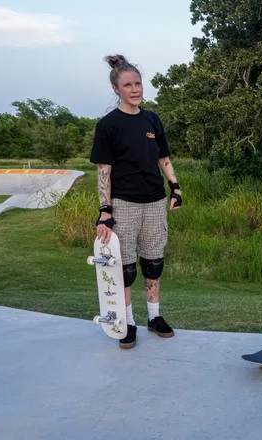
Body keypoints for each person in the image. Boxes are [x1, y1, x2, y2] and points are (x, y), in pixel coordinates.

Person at [90, 55, 183, 349]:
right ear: (116, 89)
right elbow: (104, 171)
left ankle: (154, 317)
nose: (135, 89)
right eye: (127, 85)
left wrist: (176, 188)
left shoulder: (152, 119)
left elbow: (163, 158)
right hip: (124, 203)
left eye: (138, 83)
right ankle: (126, 322)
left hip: (155, 201)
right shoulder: (108, 125)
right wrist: (105, 211)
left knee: (153, 263)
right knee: (125, 267)